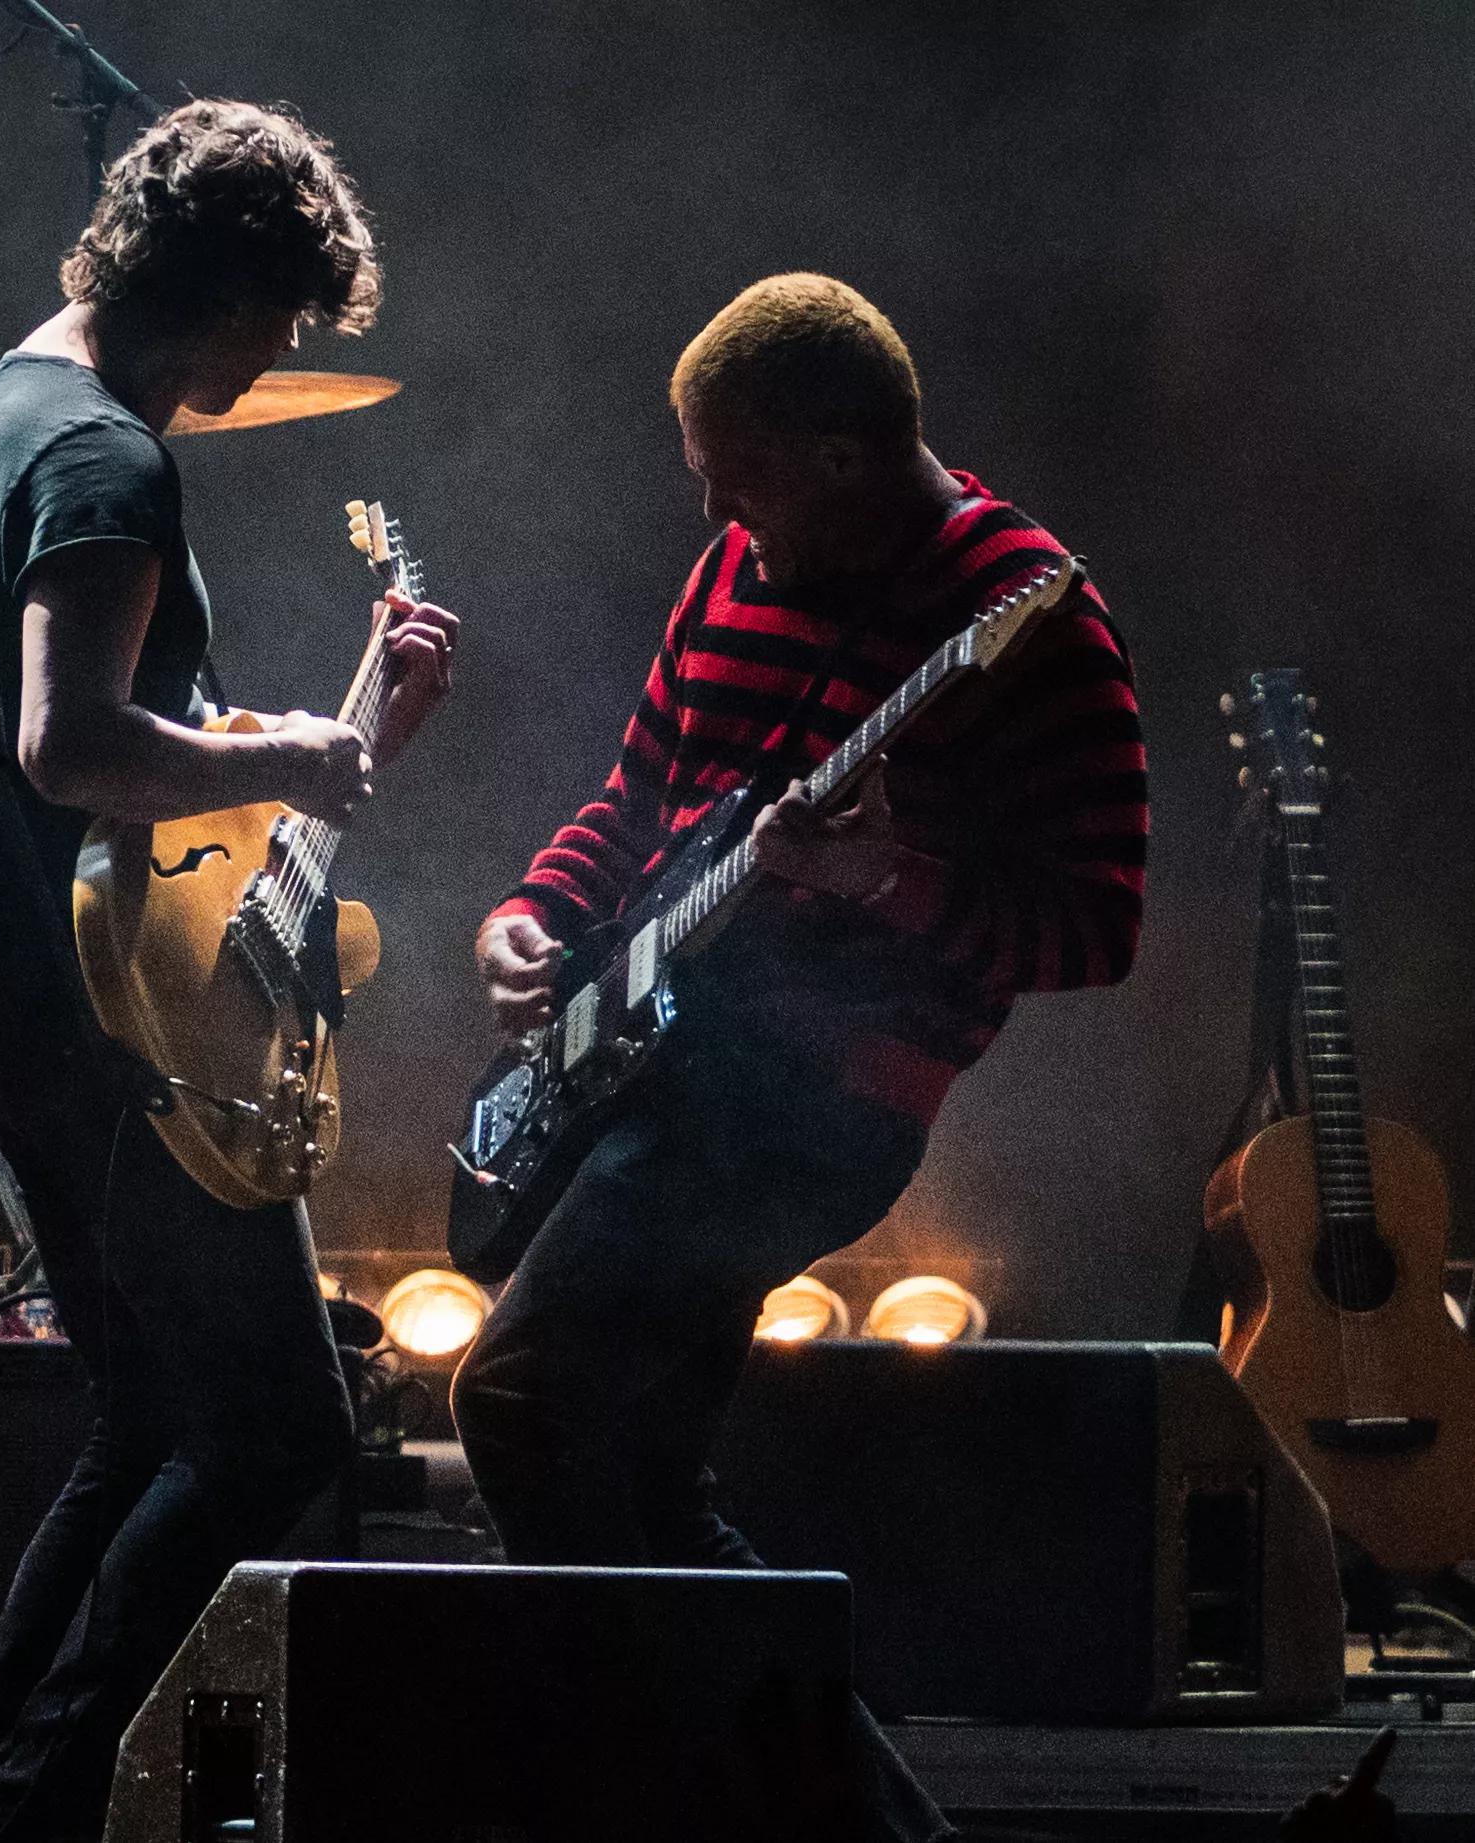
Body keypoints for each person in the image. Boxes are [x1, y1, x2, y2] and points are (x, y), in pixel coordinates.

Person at [451, 273, 1148, 1841]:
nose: (712, 512)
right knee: (645, 1486)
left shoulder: (1025, 619)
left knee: (521, 1395)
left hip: (816, 1107)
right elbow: (641, 793)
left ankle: (661, 1794)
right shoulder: (743, 561)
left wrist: (883, 879)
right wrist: (529, 912)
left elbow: (1097, 926)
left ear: (841, 456)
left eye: (739, 475)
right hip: (660, 1065)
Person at [0, 100, 455, 1842]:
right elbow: (68, 746)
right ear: (219, 287)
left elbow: (107, 759)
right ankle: (17, 1803)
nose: (279, 354)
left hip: (17, 1007)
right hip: (111, 1036)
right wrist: (288, 759)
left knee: (145, 1420)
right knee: (276, 1430)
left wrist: (317, 736)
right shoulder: (104, 459)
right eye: (278, 315)